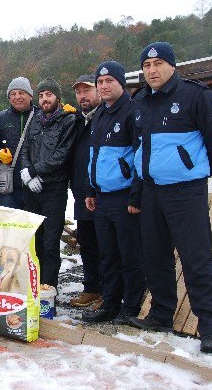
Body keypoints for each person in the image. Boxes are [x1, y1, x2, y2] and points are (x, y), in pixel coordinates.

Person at [129, 42, 212, 354]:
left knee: (196, 258)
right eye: (147, 66)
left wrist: (197, 169)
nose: (152, 70)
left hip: (185, 192)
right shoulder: (141, 101)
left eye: (158, 63)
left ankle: (211, 328)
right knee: (155, 256)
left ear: (172, 65)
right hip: (152, 191)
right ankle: (161, 315)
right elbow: (139, 148)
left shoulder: (194, 96)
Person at [81, 62, 144, 324]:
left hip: (125, 195)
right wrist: (91, 189)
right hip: (103, 196)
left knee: (129, 254)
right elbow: (95, 157)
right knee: (107, 253)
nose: (104, 86)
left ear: (121, 84)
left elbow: (141, 157)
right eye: (100, 82)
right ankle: (110, 303)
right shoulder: (99, 115)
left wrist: (136, 195)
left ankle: (130, 306)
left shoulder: (132, 111)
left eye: (109, 81)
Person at [20, 78, 77, 289]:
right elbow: (25, 147)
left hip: (54, 188)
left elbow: (62, 154)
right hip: (32, 189)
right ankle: (34, 286)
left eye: (49, 95)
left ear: (58, 98)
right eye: (41, 95)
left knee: (51, 242)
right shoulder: (34, 119)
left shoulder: (68, 121)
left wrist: (36, 171)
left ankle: (49, 288)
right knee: (35, 240)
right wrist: (27, 174)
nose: (45, 99)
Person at [68, 74, 103, 308]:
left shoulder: (107, 116)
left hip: (105, 192)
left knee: (107, 245)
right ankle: (92, 289)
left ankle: (110, 293)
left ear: (99, 91)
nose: (83, 96)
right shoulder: (78, 121)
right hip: (82, 192)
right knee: (88, 243)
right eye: (79, 92)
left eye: (87, 90)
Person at [0, 77, 37, 210]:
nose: (17, 97)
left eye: (21, 93)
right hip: (10, 186)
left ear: (30, 96)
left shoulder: (41, 115)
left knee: (34, 229)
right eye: (13, 94)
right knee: (10, 228)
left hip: (36, 183)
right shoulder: (1, 117)